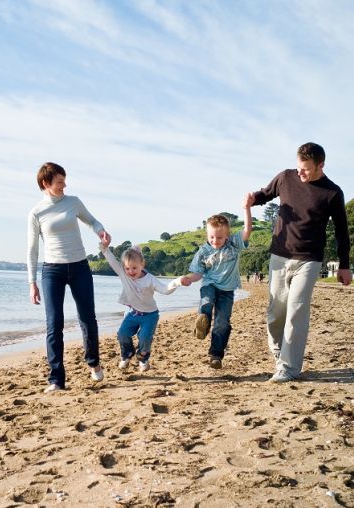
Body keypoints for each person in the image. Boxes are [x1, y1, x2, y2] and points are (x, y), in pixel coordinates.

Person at [244, 142, 352, 383]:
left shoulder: (332, 193)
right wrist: (253, 199)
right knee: (276, 312)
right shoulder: (285, 177)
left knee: (296, 310)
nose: (300, 173)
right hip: (279, 256)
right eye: (298, 167)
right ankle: (278, 353)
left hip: (309, 260)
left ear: (320, 165)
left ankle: (289, 368)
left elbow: (342, 232)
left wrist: (344, 264)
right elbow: (265, 194)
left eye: (305, 169)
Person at [28, 162, 110, 393]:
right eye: (60, 182)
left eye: (64, 181)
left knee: (87, 318)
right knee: (54, 325)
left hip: (80, 267)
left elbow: (93, 221)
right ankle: (56, 379)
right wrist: (31, 282)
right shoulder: (36, 212)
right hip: (52, 271)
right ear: (46, 183)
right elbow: (32, 249)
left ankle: (93, 362)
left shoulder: (73, 202)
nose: (64, 185)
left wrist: (101, 232)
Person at [179, 208, 252, 369]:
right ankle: (202, 322)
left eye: (219, 237)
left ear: (227, 235)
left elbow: (247, 230)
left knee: (222, 323)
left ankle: (216, 356)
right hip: (209, 284)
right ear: (207, 235)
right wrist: (188, 279)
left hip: (227, 290)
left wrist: (247, 208)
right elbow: (198, 273)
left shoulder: (234, 243)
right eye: (211, 237)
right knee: (207, 300)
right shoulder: (204, 251)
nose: (215, 240)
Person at [99, 237, 181, 373]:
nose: (130, 271)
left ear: (142, 264)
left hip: (150, 315)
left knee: (144, 337)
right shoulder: (124, 275)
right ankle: (127, 355)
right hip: (133, 313)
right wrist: (104, 248)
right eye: (127, 268)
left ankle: (143, 359)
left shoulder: (150, 279)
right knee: (122, 334)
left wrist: (177, 282)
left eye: (134, 268)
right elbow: (112, 261)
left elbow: (165, 290)